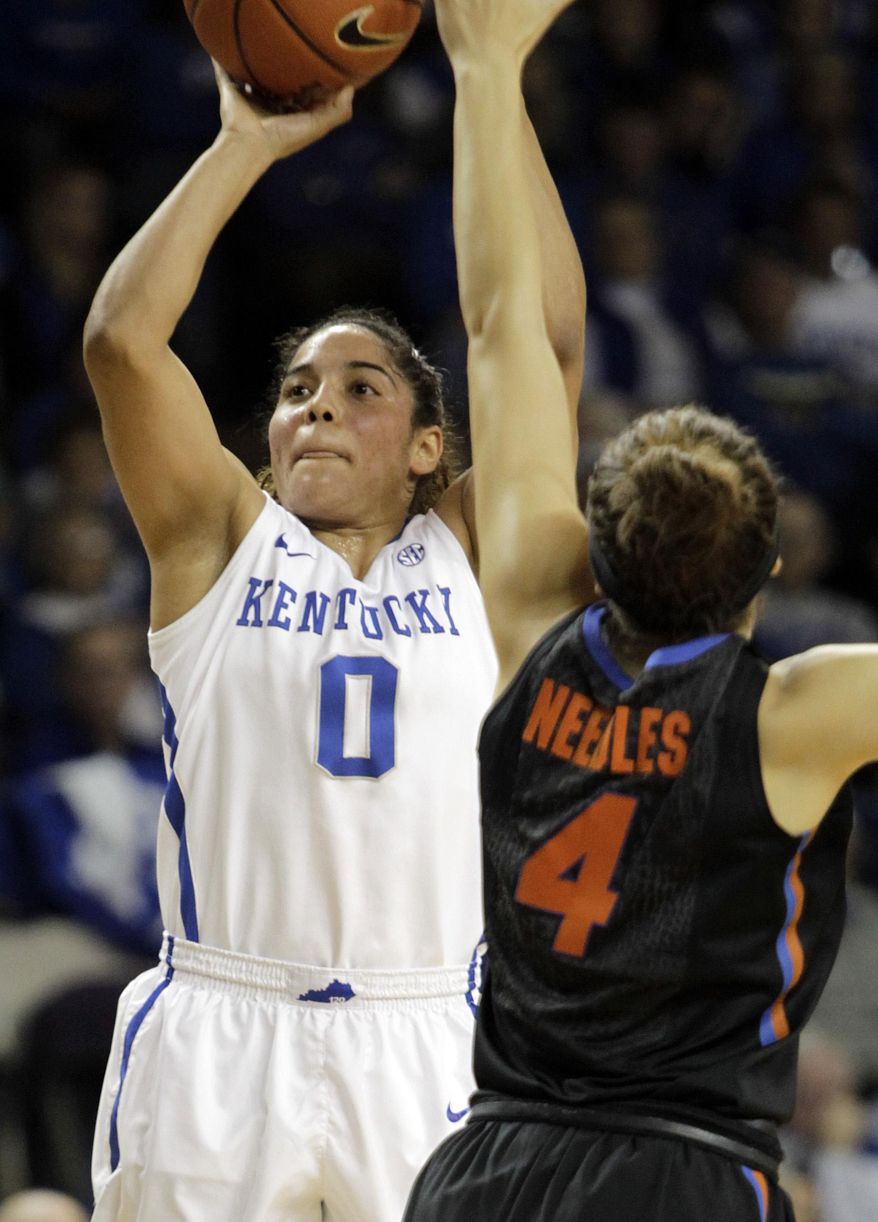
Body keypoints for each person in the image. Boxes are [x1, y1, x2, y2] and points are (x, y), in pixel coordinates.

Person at [81, 52, 584, 1222]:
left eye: (361, 387)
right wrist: (244, 145)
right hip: (221, 1024)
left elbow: (543, 349)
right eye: (299, 387)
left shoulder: (470, 555)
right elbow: (121, 345)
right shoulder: (216, 540)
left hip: (430, 1034)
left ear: (426, 447)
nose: (317, 403)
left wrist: (492, 85)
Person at [403, 0, 878, 1219]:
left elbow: (507, 333)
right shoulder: (793, 715)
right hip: (678, 1170)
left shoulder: (528, 612)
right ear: (770, 572)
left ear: (594, 553)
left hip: (487, 1163)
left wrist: (486, 66)